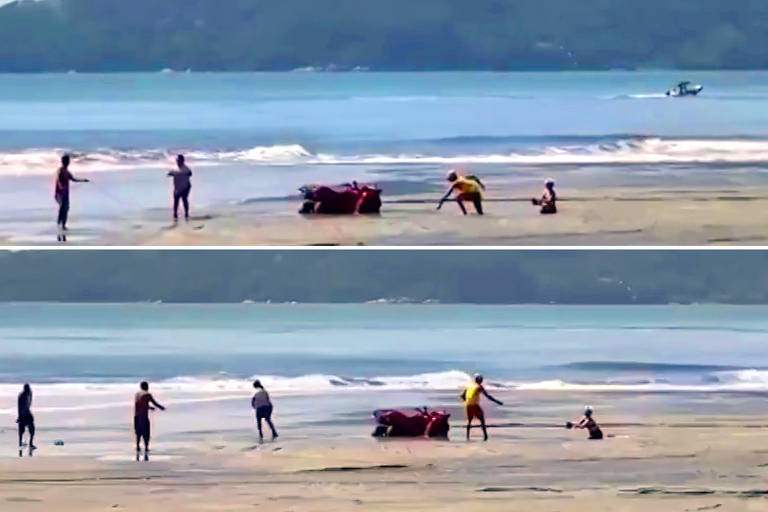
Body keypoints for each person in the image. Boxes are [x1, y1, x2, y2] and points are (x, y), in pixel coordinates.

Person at [54, 154, 90, 241]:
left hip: (65, 194)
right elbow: (58, 180)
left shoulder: (67, 171)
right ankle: (59, 225)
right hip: (59, 194)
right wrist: (61, 186)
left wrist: (83, 180)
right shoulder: (60, 170)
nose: (67, 162)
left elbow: (74, 179)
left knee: (66, 209)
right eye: (66, 161)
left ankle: (63, 225)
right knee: (62, 208)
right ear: (63, 161)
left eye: (68, 161)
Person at [460, 374, 503, 441]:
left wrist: (468, 401)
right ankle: (485, 436)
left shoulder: (469, 386)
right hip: (474, 405)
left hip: (468, 405)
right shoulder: (479, 387)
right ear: (480, 380)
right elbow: (488, 396)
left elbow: (462, 396)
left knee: (469, 421)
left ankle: (467, 437)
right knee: (482, 420)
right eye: (481, 380)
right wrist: (497, 401)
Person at [134, 381, 165, 460]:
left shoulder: (137, 394)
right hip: (143, 416)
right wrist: (161, 407)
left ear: (141, 387)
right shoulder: (147, 394)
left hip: (136, 416)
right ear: (146, 387)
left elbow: (139, 404)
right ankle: (146, 447)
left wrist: (148, 407)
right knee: (146, 432)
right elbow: (154, 403)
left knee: (138, 432)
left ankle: (137, 446)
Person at [167, 154, 192, 221]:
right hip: (177, 187)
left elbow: (190, 174)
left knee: (184, 199)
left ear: (183, 161)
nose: (178, 161)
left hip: (185, 186)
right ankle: (175, 214)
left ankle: (186, 213)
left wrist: (179, 174)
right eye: (177, 160)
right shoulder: (174, 168)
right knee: (176, 201)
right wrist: (171, 174)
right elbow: (169, 173)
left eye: (179, 160)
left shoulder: (186, 168)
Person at [17, 384, 36, 455]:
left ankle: (30, 443)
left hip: (27, 413)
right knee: (22, 430)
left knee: (32, 429)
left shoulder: (29, 394)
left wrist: (30, 394)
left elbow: (29, 403)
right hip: (23, 414)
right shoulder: (22, 396)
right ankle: (20, 443)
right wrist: (19, 416)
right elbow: (19, 407)